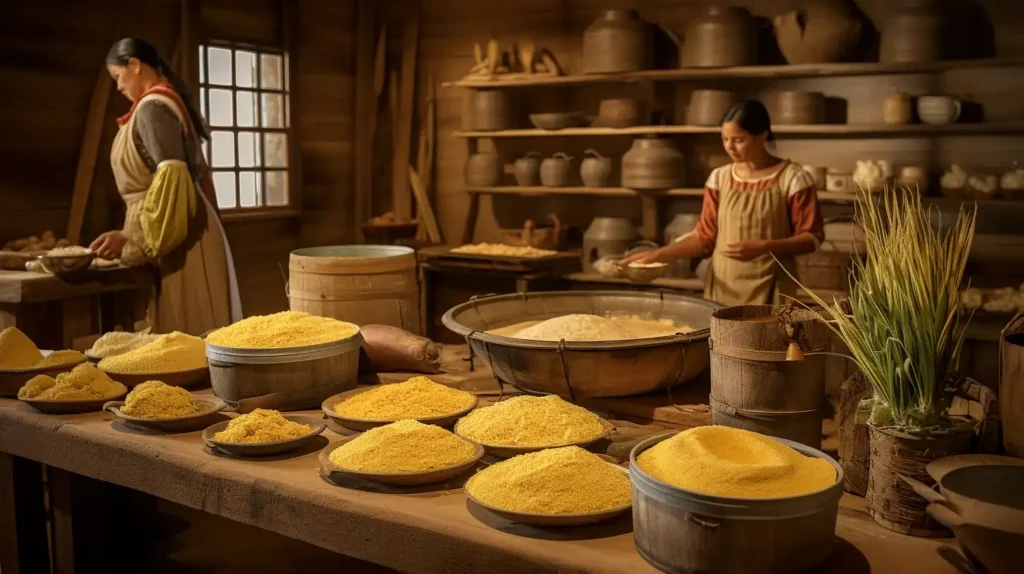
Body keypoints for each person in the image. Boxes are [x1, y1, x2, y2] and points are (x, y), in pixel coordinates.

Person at [91, 37, 242, 335]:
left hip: (179, 232)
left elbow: (171, 188)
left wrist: (130, 235)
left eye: (118, 77)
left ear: (134, 66)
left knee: (190, 335)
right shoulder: (151, 107)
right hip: (168, 230)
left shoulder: (153, 109)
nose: (118, 87)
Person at [622, 99, 823, 306]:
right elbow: (704, 238)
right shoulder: (719, 178)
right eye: (724, 139)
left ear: (763, 135)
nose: (729, 147)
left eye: (738, 140)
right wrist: (656, 256)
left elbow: (812, 238)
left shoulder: (793, 178)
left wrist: (765, 247)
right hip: (723, 288)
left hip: (771, 289)